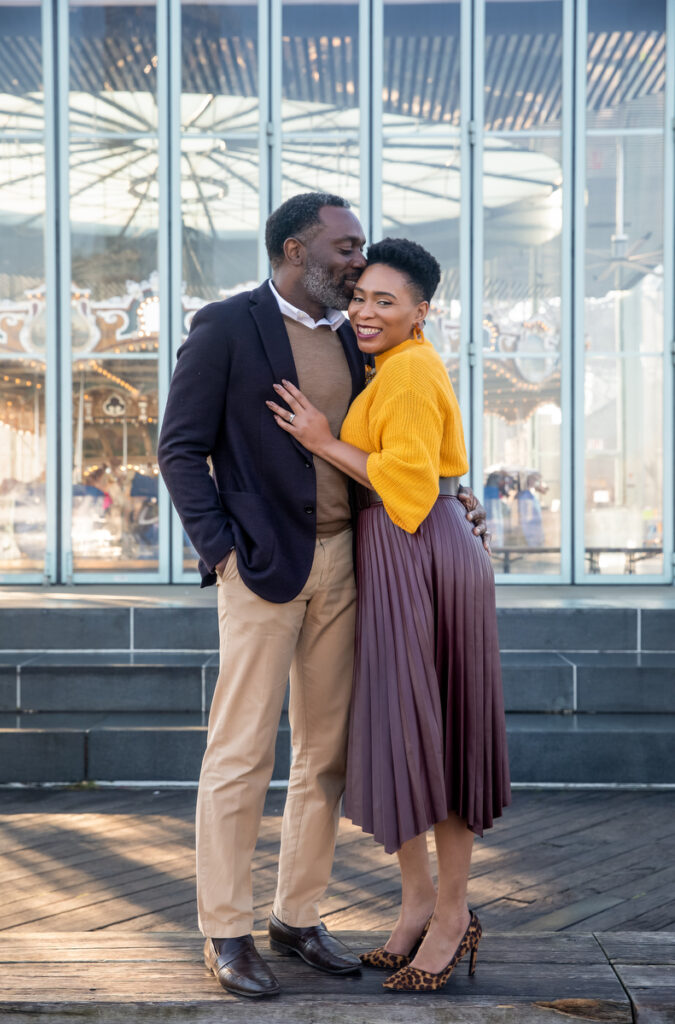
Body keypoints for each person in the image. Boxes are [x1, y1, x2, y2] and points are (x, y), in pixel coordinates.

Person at [158, 194, 488, 999]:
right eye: (345, 249)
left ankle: (295, 916)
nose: (357, 260)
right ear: (296, 248)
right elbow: (178, 449)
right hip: (263, 571)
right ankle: (225, 929)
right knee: (239, 753)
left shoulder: (359, 336)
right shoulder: (227, 326)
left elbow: (400, 433)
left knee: (325, 756)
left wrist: (452, 490)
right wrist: (223, 553)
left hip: (354, 565)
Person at [268, 237, 510, 995]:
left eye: (386, 301)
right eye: (361, 296)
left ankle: (448, 914)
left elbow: (405, 488)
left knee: (434, 736)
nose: (366, 311)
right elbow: (429, 476)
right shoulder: (391, 365)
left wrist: (320, 441)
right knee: (407, 737)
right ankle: (414, 909)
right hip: (409, 551)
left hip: (418, 554)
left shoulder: (407, 371)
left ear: (419, 312)